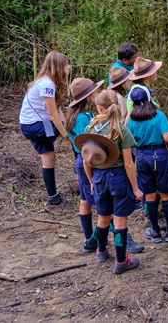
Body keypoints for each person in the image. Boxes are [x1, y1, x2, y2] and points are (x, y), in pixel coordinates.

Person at [79, 90, 143, 274]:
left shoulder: (90, 129)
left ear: (98, 107)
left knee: (103, 217)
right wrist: (136, 188)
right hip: (118, 179)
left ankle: (101, 251)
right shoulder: (121, 131)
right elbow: (129, 164)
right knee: (120, 220)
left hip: (98, 178)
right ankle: (122, 261)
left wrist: (91, 180)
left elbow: (85, 160)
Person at [127, 88, 168, 243]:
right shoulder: (158, 115)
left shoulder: (131, 119)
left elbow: (130, 141)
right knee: (165, 192)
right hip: (159, 154)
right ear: (149, 98)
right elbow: (166, 137)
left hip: (141, 157)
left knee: (150, 194)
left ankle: (155, 231)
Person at [19, 51, 72, 205]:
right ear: (59, 66)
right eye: (66, 64)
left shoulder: (50, 82)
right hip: (34, 126)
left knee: (50, 159)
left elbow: (58, 110)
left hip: (39, 123)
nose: (69, 67)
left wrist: (66, 127)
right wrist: (67, 135)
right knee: (64, 127)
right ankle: (79, 157)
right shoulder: (47, 83)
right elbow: (53, 115)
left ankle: (53, 197)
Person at [66, 77, 103, 252]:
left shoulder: (87, 114)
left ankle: (91, 239)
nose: (96, 94)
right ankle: (91, 238)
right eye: (94, 91)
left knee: (85, 199)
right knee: (89, 199)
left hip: (87, 160)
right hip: (87, 161)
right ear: (87, 96)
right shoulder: (81, 118)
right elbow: (86, 144)